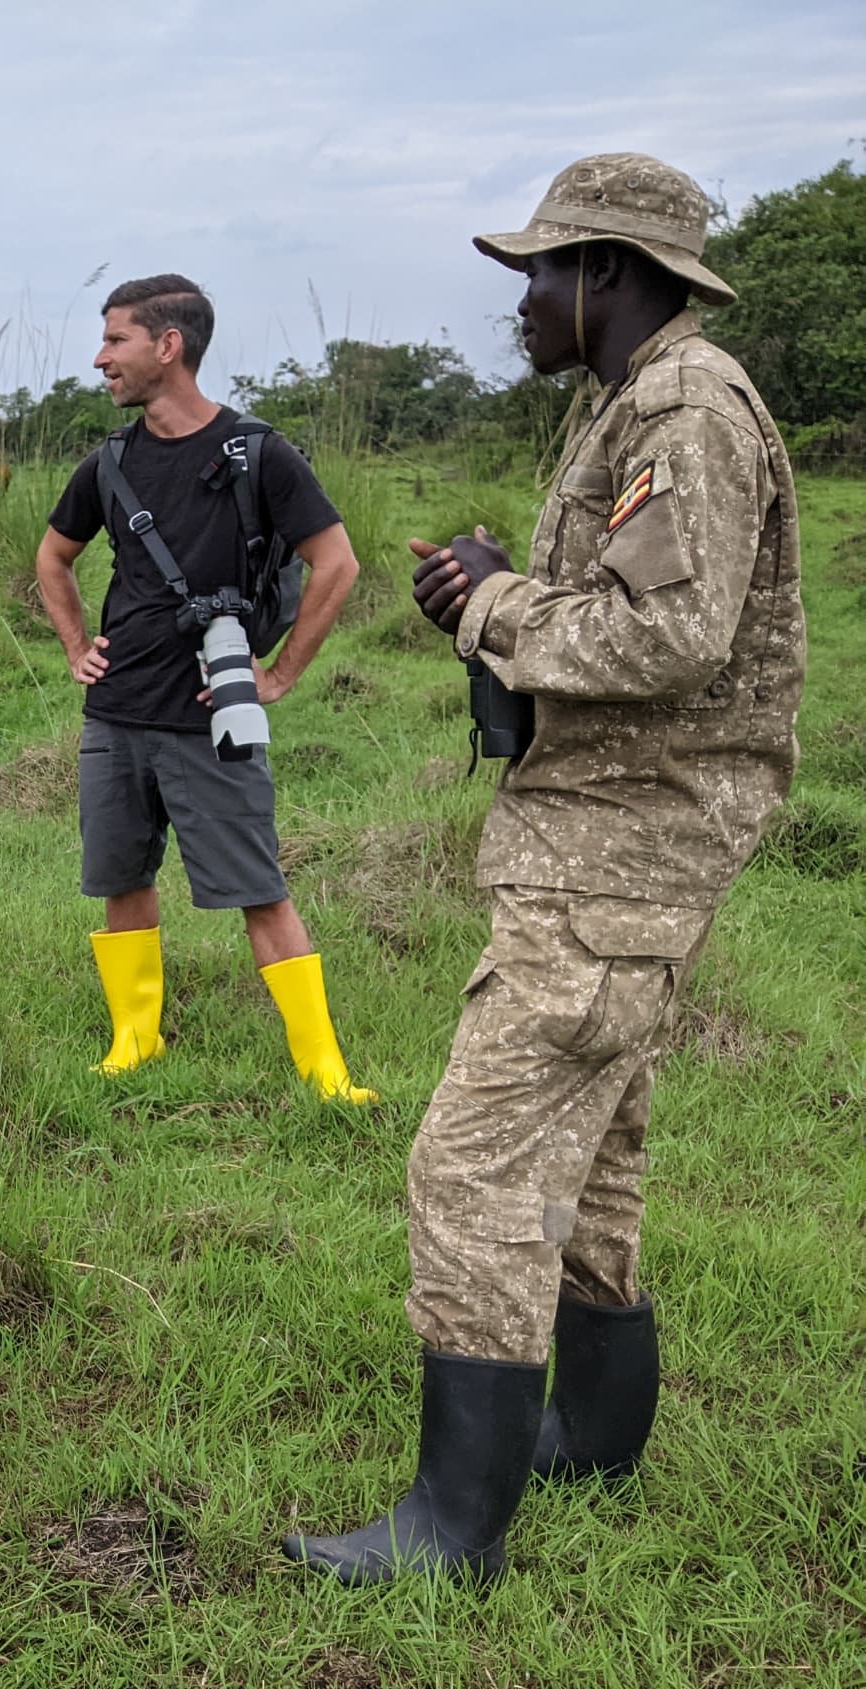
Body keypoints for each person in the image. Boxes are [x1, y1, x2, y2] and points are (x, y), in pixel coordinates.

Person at [286, 154, 805, 1584]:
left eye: (537, 273)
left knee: (474, 1164)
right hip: (615, 838)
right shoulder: (631, 402)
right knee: (602, 1147)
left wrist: (496, 602)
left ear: (606, 275)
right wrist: (510, 592)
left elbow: (670, 641)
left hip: (623, 848)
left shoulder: (686, 409)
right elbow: (636, 604)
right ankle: (592, 1436)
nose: (518, 302)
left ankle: (453, 1531)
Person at [35, 275, 374, 1101]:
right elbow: (53, 558)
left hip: (211, 713)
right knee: (121, 879)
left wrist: (280, 673)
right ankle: (134, 1044)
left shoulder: (258, 453)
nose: (100, 357)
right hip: (116, 714)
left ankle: (326, 1074)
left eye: (115, 340)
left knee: (259, 891)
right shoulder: (108, 461)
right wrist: (78, 645)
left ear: (168, 345)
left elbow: (337, 563)